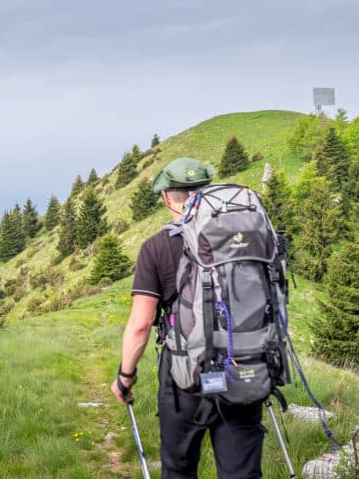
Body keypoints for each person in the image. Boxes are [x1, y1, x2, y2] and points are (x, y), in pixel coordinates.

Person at [111, 158, 265, 479]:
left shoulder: (156, 247)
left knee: (179, 469)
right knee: (242, 473)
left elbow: (141, 324)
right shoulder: (242, 238)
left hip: (184, 377)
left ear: (167, 197)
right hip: (244, 365)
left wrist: (125, 377)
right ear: (208, 188)